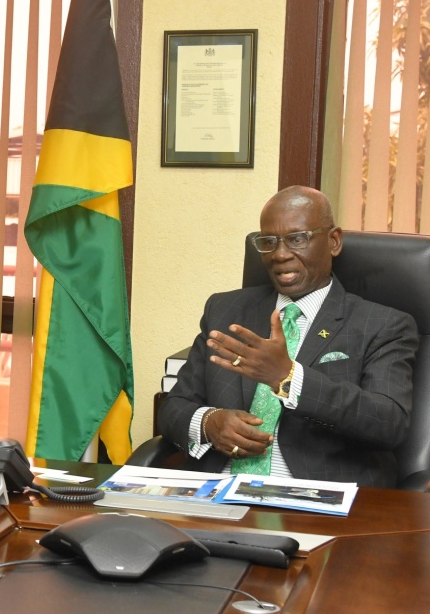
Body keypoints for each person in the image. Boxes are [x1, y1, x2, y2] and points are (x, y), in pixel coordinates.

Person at [159, 185, 418, 487]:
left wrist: (289, 378)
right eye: (268, 242)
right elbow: (174, 408)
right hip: (218, 492)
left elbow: (388, 422)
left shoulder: (383, 324)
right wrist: (208, 423)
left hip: (319, 498)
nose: (280, 255)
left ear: (334, 241)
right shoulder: (226, 310)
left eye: (297, 239)